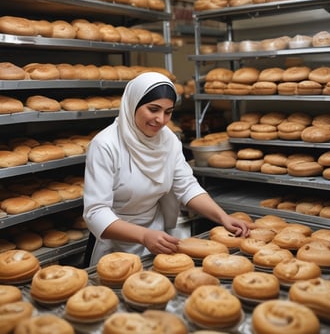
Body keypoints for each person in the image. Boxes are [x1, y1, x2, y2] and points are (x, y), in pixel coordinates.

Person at [83, 71, 251, 266]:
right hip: (114, 242)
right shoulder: (105, 145)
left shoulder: (168, 139)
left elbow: (186, 187)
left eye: (168, 112)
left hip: (156, 236)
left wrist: (223, 217)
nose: (161, 120)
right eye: (153, 109)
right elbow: (96, 212)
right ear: (132, 104)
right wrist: (144, 235)